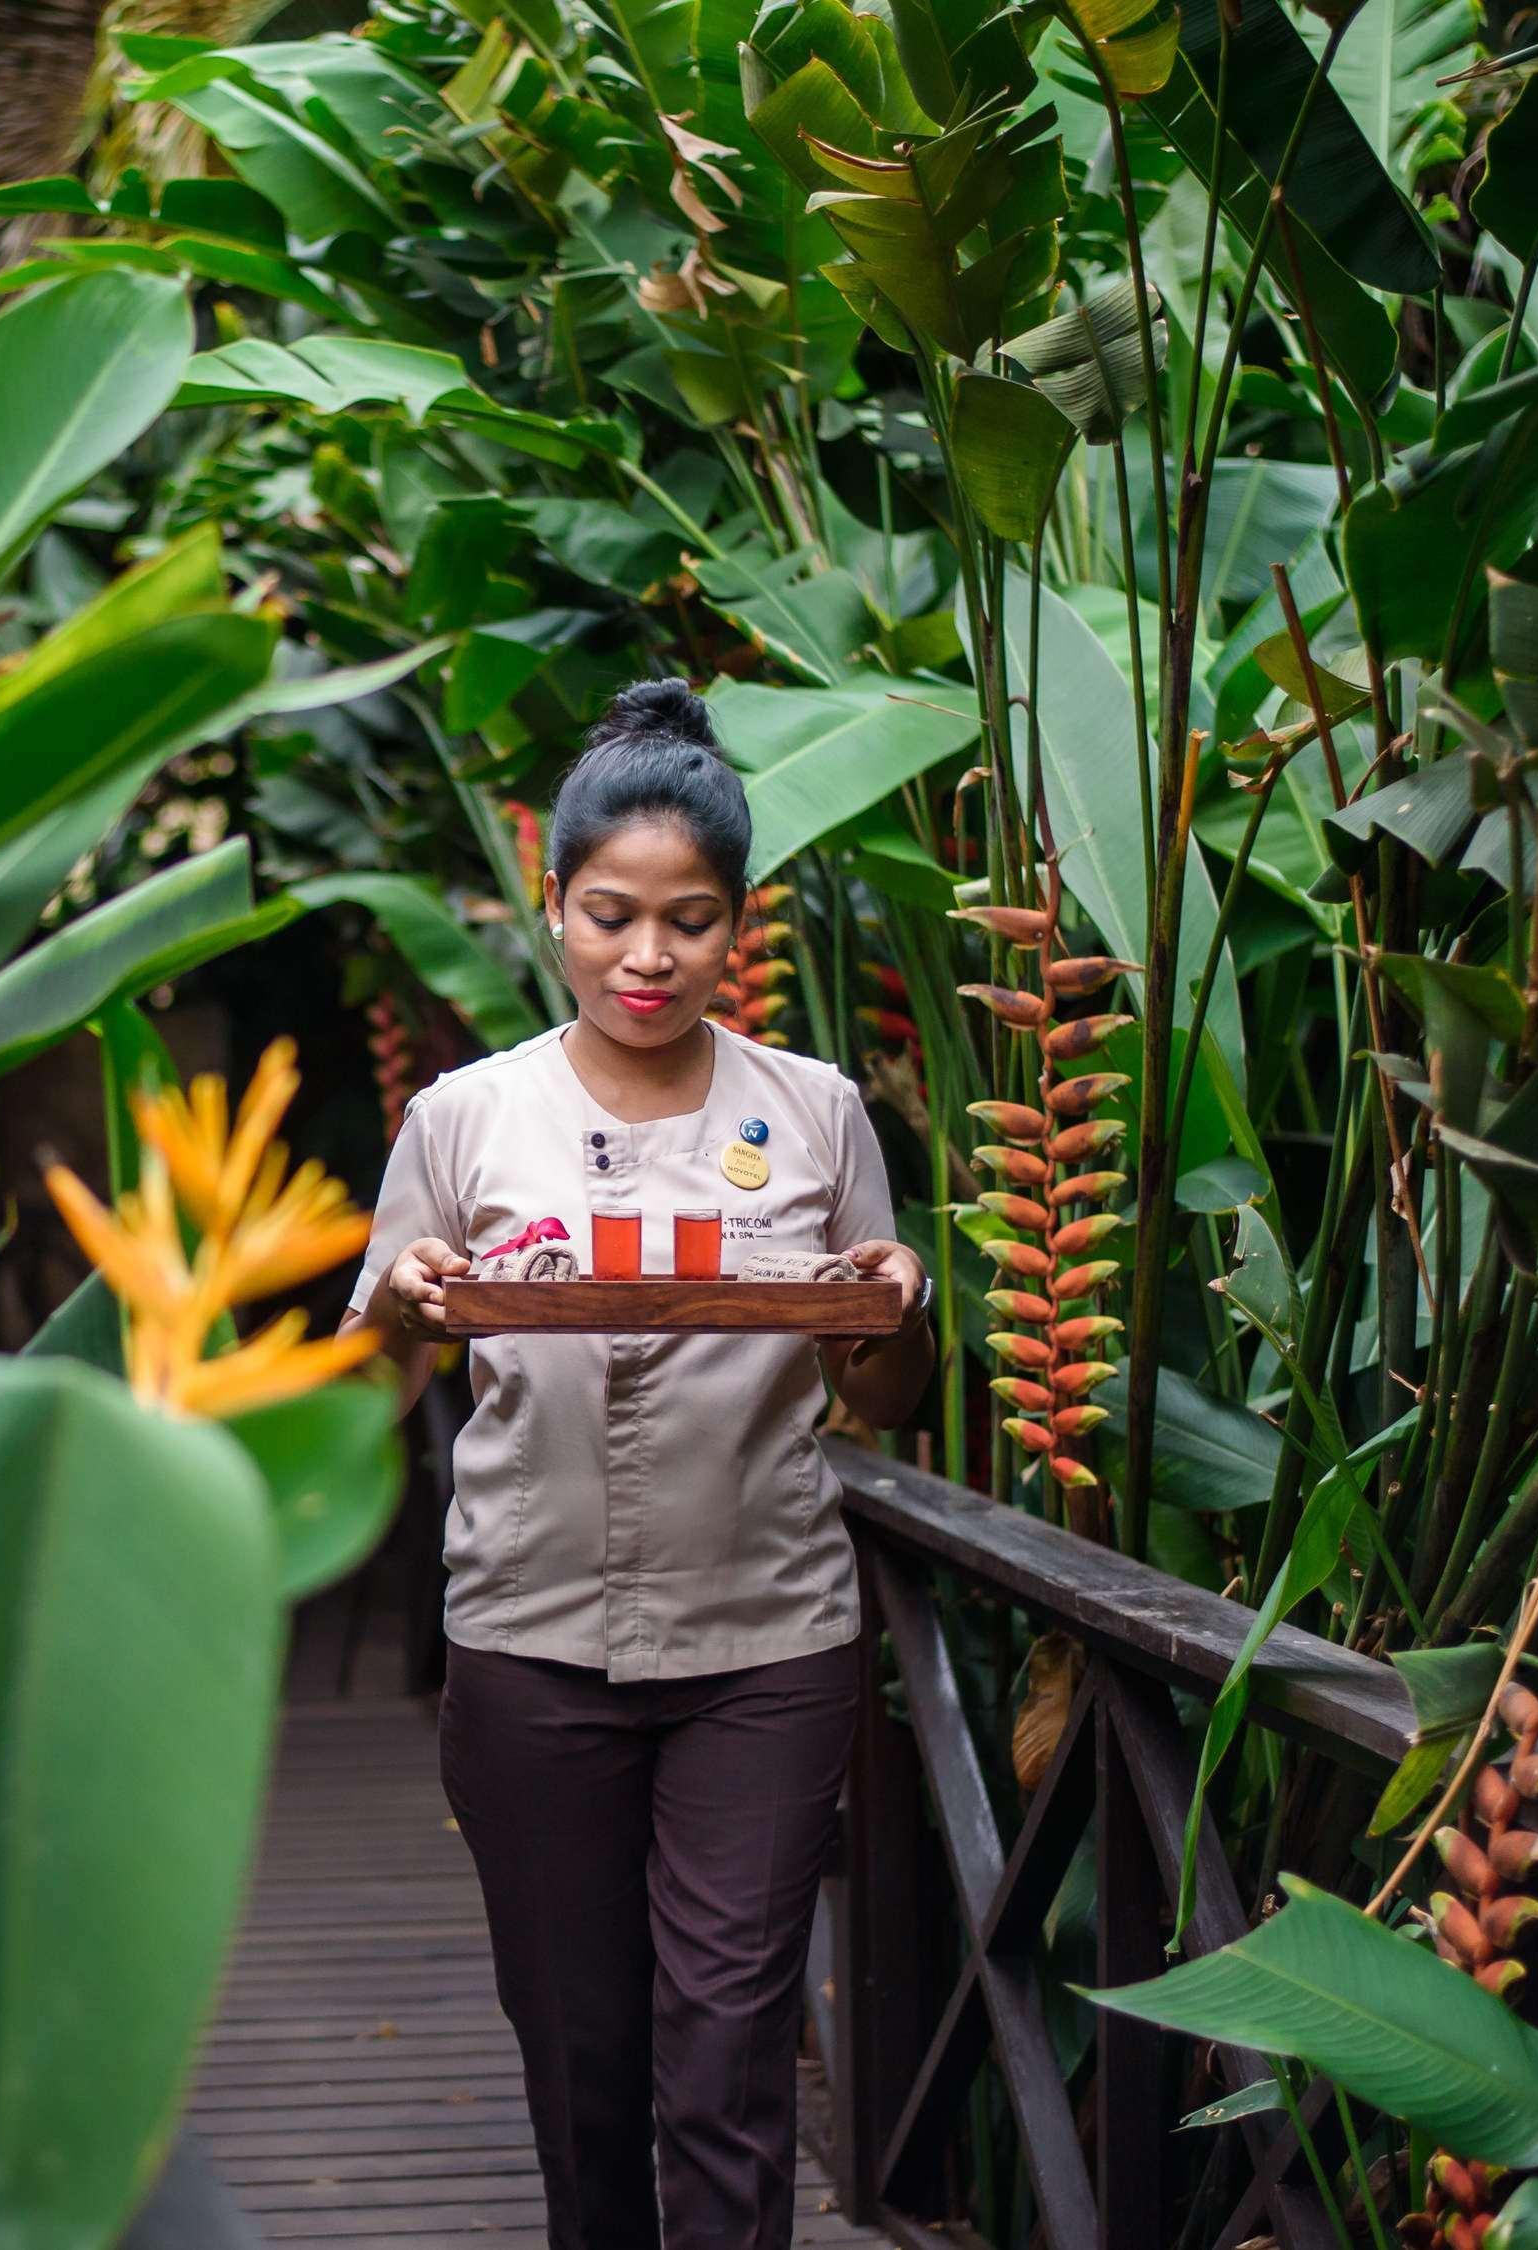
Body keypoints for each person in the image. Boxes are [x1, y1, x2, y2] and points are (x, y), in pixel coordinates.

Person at [339, 677, 936, 2250]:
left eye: (689, 919)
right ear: (554, 903)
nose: (648, 955)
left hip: (770, 1643)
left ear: (739, 925)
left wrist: (895, 1299)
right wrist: (401, 1306)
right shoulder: (464, 1119)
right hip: (529, 1644)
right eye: (610, 914)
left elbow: (888, 1396)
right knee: (581, 2061)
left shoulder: (816, 1113)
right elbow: (368, 1385)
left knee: (728, 2059)